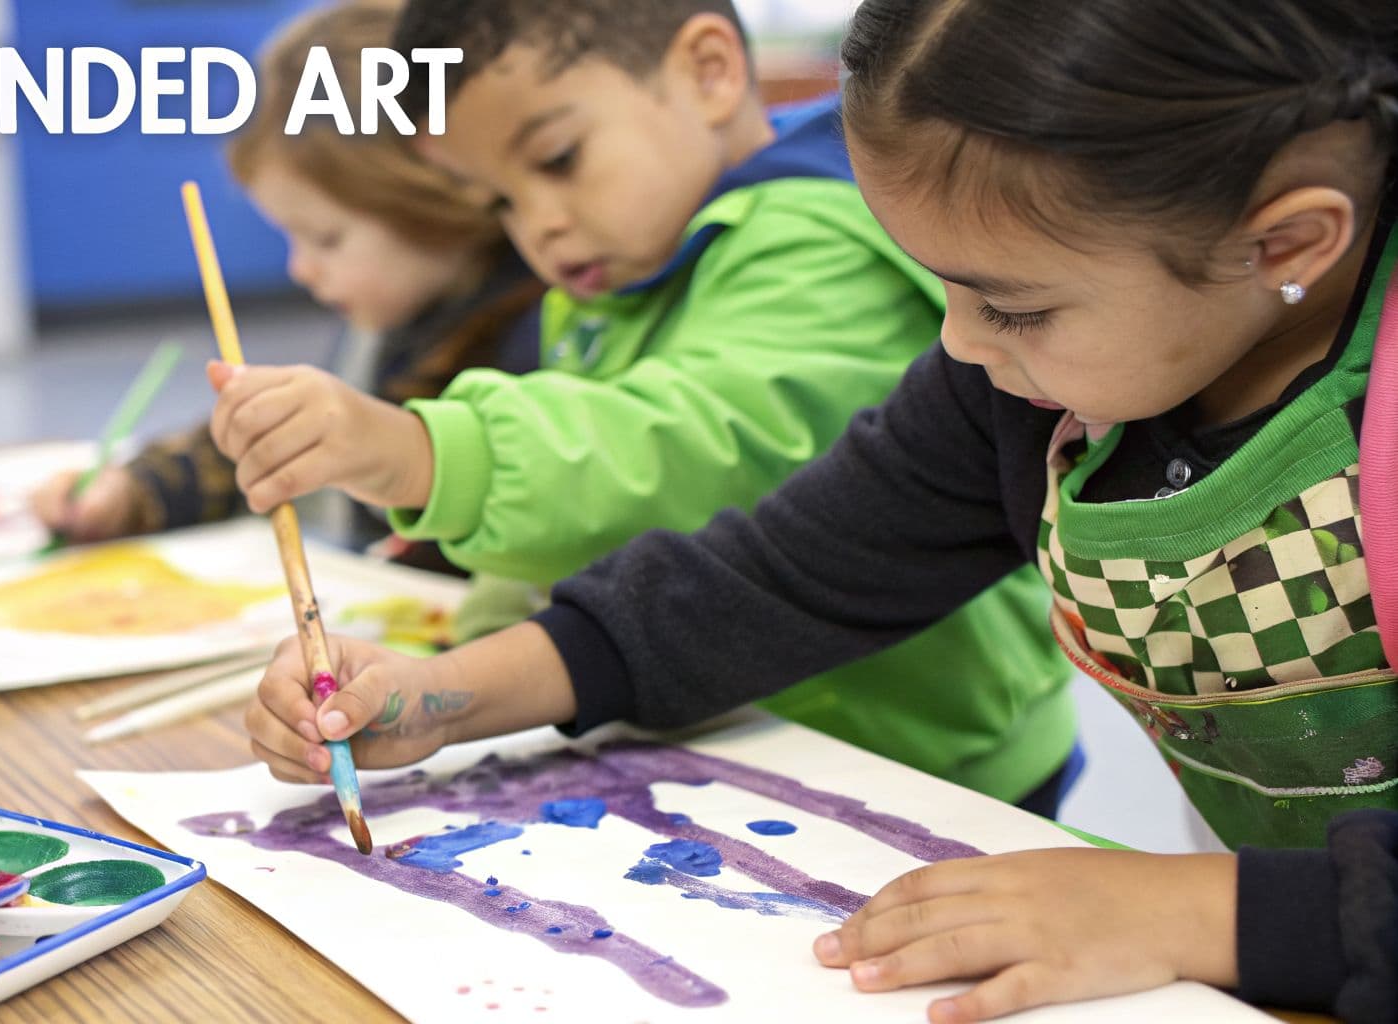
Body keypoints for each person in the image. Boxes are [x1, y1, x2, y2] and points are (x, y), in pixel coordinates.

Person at [245, 0, 1398, 1019]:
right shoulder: (1014, 386)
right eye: (939, 284)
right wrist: (452, 698)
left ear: (1284, 244)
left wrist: (1213, 913)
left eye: (1013, 304)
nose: (954, 342)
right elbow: (783, 575)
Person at [212, 0, 1077, 812]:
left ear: (708, 72)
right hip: (730, 736)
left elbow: (700, 448)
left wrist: (419, 453)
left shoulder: (812, 245)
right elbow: (560, 554)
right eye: (503, 201)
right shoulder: (609, 280)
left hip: (923, 764)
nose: (539, 226)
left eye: (557, 160)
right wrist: (446, 675)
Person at [32, 0, 542, 561]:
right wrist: (135, 492)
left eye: (325, 238)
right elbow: (274, 446)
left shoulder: (531, 342)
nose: (299, 269)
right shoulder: (394, 322)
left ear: (440, 195)